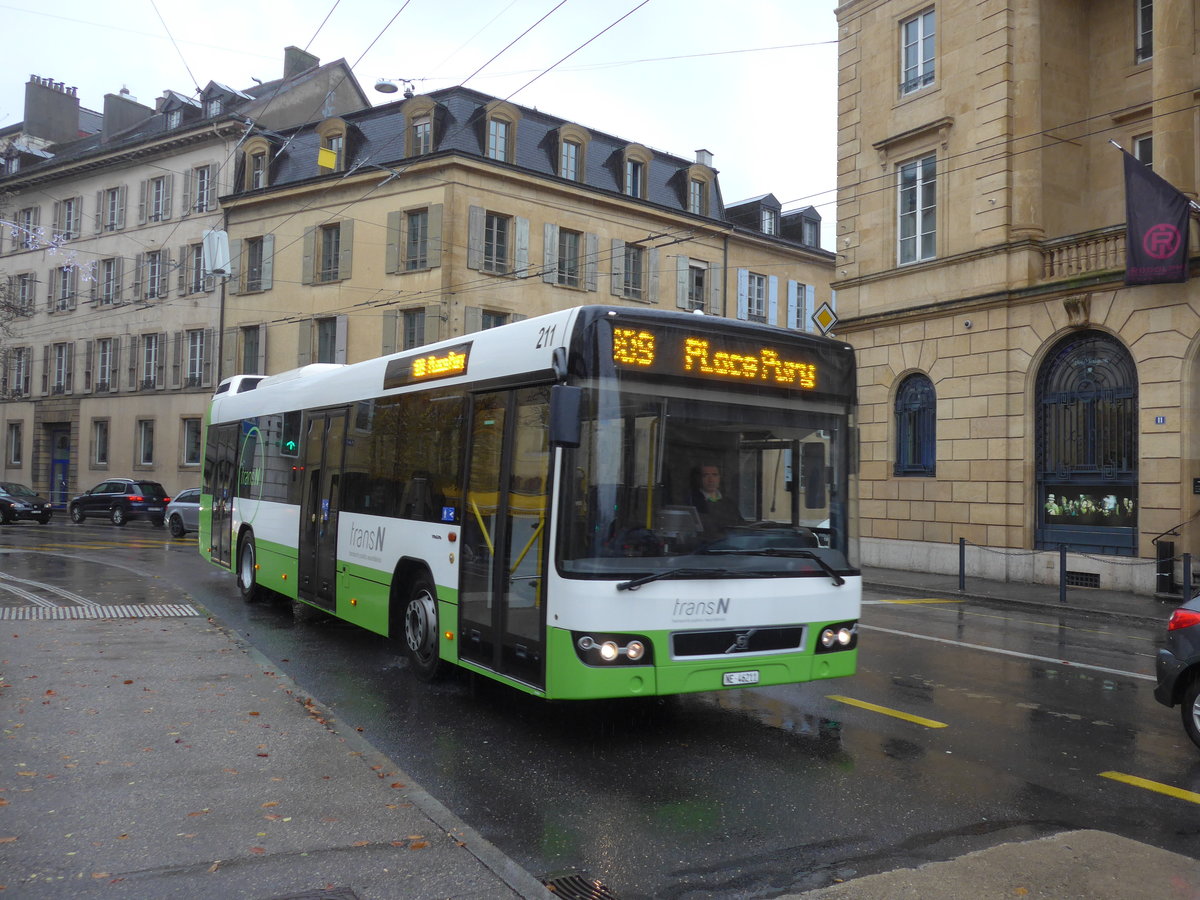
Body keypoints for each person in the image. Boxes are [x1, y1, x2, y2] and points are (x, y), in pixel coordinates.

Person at [689, 463, 743, 538]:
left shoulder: (729, 503)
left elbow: (741, 526)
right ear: (698, 479)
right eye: (706, 475)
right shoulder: (691, 502)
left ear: (719, 478)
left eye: (714, 475)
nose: (711, 480)